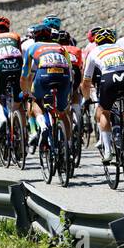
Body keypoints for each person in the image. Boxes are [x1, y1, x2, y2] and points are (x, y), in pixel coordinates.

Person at [81, 27, 124, 165]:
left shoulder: (93, 51)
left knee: (104, 112)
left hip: (109, 79)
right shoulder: (121, 49)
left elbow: (86, 81)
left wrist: (87, 98)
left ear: (97, 42)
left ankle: (107, 151)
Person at [22, 23, 73, 153]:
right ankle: (69, 146)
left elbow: (25, 75)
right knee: (62, 112)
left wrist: (26, 92)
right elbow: (70, 68)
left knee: (35, 101)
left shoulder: (32, 48)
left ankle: (43, 126)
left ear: (34, 37)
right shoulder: (61, 47)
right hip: (64, 76)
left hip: (43, 75)